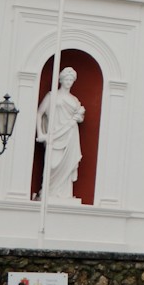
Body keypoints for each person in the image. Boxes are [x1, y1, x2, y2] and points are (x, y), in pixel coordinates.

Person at [36, 67, 86, 201]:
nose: (68, 82)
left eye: (71, 79)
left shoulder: (74, 100)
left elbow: (80, 118)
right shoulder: (52, 96)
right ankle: (48, 191)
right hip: (54, 135)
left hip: (70, 134)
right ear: (61, 80)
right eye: (66, 79)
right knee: (52, 165)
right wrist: (41, 133)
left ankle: (64, 195)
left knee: (67, 166)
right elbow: (40, 113)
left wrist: (79, 116)